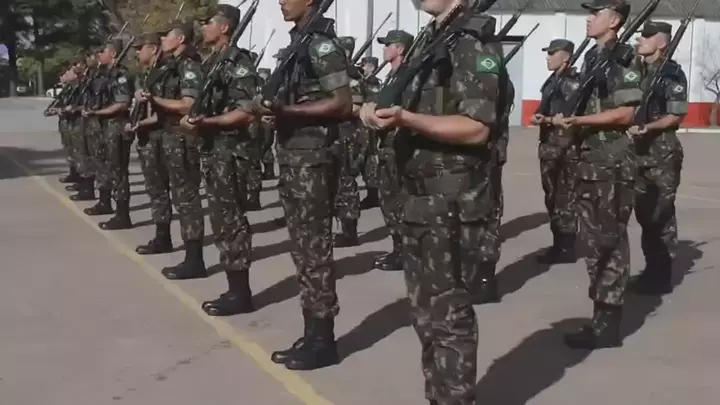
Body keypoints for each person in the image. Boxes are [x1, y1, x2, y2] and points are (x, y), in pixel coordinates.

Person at [359, 1, 503, 403]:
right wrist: (372, 111)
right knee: (424, 313)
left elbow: (476, 128)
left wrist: (406, 119)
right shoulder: (432, 39)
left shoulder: (472, 42)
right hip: (419, 196)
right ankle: (438, 395)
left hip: (451, 199)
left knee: (449, 314)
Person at [253, 0, 352, 370]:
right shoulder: (300, 42)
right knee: (303, 251)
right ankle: (312, 333)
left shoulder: (321, 45)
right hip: (295, 156)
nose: (281, 1)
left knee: (314, 250)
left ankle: (323, 341)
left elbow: (342, 103)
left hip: (313, 158)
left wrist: (287, 112)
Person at [551, 0, 644, 349]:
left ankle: (608, 324)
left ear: (615, 20)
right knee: (594, 242)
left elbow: (626, 114)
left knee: (609, 241)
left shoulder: (626, 58)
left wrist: (579, 121)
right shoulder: (593, 56)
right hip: (589, 160)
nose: (589, 18)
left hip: (611, 162)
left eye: (597, 13)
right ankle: (601, 316)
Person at [180, 4, 258, 315]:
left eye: (208, 22)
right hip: (213, 151)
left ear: (224, 27)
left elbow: (246, 111)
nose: (203, 28)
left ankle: (241, 293)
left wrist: (206, 123)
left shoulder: (237, 62)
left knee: (232, 222)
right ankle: (234, 288)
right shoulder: (212, 62)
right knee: (222, 221)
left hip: (230, 151)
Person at [139, 19, 207, 279]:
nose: (162, 40)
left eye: (166, 35)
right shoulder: (170, 67)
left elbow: (189, 104)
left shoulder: (189, 65)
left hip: (182, 138)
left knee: (187, 198)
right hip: (167, 135)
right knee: (169, 192)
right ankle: (164, 238)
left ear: (180, 39)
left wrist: (155, 100)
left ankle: (194, 259)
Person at [628, 21, 687, 295]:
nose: (641, 39)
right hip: (637, 152)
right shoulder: (638, 71)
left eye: (648, 36)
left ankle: (661, 276)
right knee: (643, 213)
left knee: (660, 215)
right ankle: (651, 269)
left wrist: (648, 127)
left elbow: (675, 115)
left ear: (661, 43)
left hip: (661, 153)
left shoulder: (672, 74)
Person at [530, 38, 580, 264]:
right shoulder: (553, 81)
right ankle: (558, 243)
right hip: (549, 146)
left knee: (564, 197)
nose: (548, 57)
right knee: (551, 197)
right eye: (548, 53)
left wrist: (547, 120)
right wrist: (541, 117)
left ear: (566, 58)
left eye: (552, 53)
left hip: (565, 148)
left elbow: (569, 118)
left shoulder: (572, 83)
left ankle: (566, 247)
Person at [371, 29, 414, 272]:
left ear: (400, 49)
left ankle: (405, 252)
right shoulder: (391, 76)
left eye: (388, 45)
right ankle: (399, 249)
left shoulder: (407, 77)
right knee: (388, 201)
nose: (384, 49)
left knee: (399, 201)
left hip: (398, 147)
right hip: (385, 147)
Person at [129, 32, 174, 255]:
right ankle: (161, 235)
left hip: (162, 137)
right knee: (155, 190)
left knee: (164, 191)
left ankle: (165, 239)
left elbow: (165, 110)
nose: (137, 52)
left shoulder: (165, 72)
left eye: (141, 48)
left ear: (154, 49)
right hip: (149, 137)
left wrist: (141, 123)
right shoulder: (148, 74)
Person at [82, 40, 134, 231]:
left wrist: (97, 113)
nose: (98, 55)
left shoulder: (120, 75)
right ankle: (105, 202)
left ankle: (122, 215)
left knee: (118, 171)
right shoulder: (103, 74)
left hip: (116, 126)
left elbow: (122, 103)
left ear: (112, 54)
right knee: (104, 166)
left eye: (102, 52)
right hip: (104, 126)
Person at [333, 35, 363, 247]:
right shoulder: (339, 74)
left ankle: (350, 232)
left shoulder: (351, 76)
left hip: (347, 135)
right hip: (336, 133)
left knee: (346, 183)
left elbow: (355, 107)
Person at [358, 55, 382, 209]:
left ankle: (373, 194)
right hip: (362, 124)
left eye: (364, 65)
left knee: (369, 159)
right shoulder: (365, 81)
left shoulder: (373, 83)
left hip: (368, 127)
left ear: (371, 67)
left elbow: (372, 101)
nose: (362, 68)